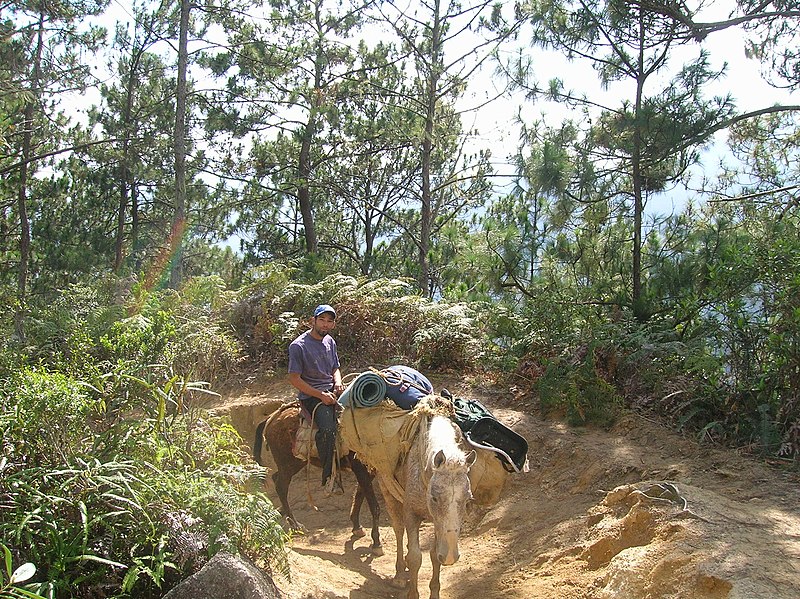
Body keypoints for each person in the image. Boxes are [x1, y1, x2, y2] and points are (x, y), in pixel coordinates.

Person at [287, 304, 345, 496]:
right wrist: (321, 395)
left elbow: (335, 368)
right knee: (328, 429)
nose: (325, 324)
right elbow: (294, 379)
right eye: (322, 320)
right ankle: (329, 477)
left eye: (330, 321)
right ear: (313, 320)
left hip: (331, 389)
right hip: (312, 396)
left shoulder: (330, 341)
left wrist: (338, 383)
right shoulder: (298, 346)